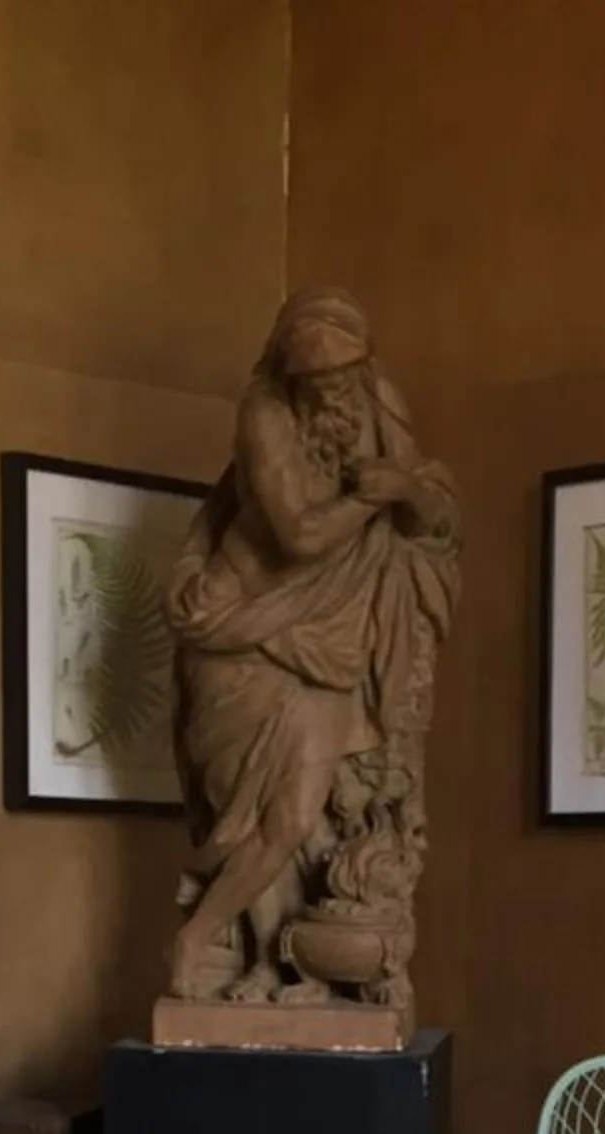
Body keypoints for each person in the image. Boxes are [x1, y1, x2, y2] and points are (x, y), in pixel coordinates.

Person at [166, 287, 460, 1005]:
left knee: (298, 816)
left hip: (334, 642)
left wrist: (407, 492)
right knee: (250, 814)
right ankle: (217, 945)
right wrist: (371, 497)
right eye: (315, 380)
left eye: (343, 376)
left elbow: (432, 519)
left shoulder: (377, 403)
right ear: (287, 375)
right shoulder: (264, 415)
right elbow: (297, 537)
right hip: (244, 633)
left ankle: (267, 960)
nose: (332, 390)